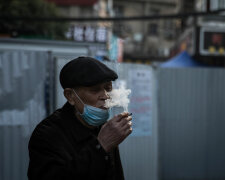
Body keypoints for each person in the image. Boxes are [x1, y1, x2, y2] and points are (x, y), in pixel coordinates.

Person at [27, 57, 132, 180]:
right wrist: (100, 146)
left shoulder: (103, 128)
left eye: (108, 88)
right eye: (95, 90)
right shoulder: (48, 134)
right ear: (70, 96)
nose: (105, 96)